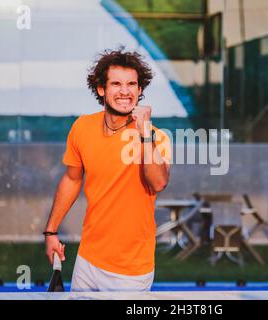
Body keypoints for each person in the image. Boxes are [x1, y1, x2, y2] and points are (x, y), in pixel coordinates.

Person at [43, 49, 171, 292]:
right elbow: (71, 180)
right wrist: (50, 231)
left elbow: (158, 183)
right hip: (87, 260)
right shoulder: (82, 127)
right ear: (101, 89)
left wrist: (144, 134)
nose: (125, 91)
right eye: (116, 84)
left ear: (140, 90)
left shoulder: (156, 138)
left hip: (130, 270)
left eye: (132, 84)